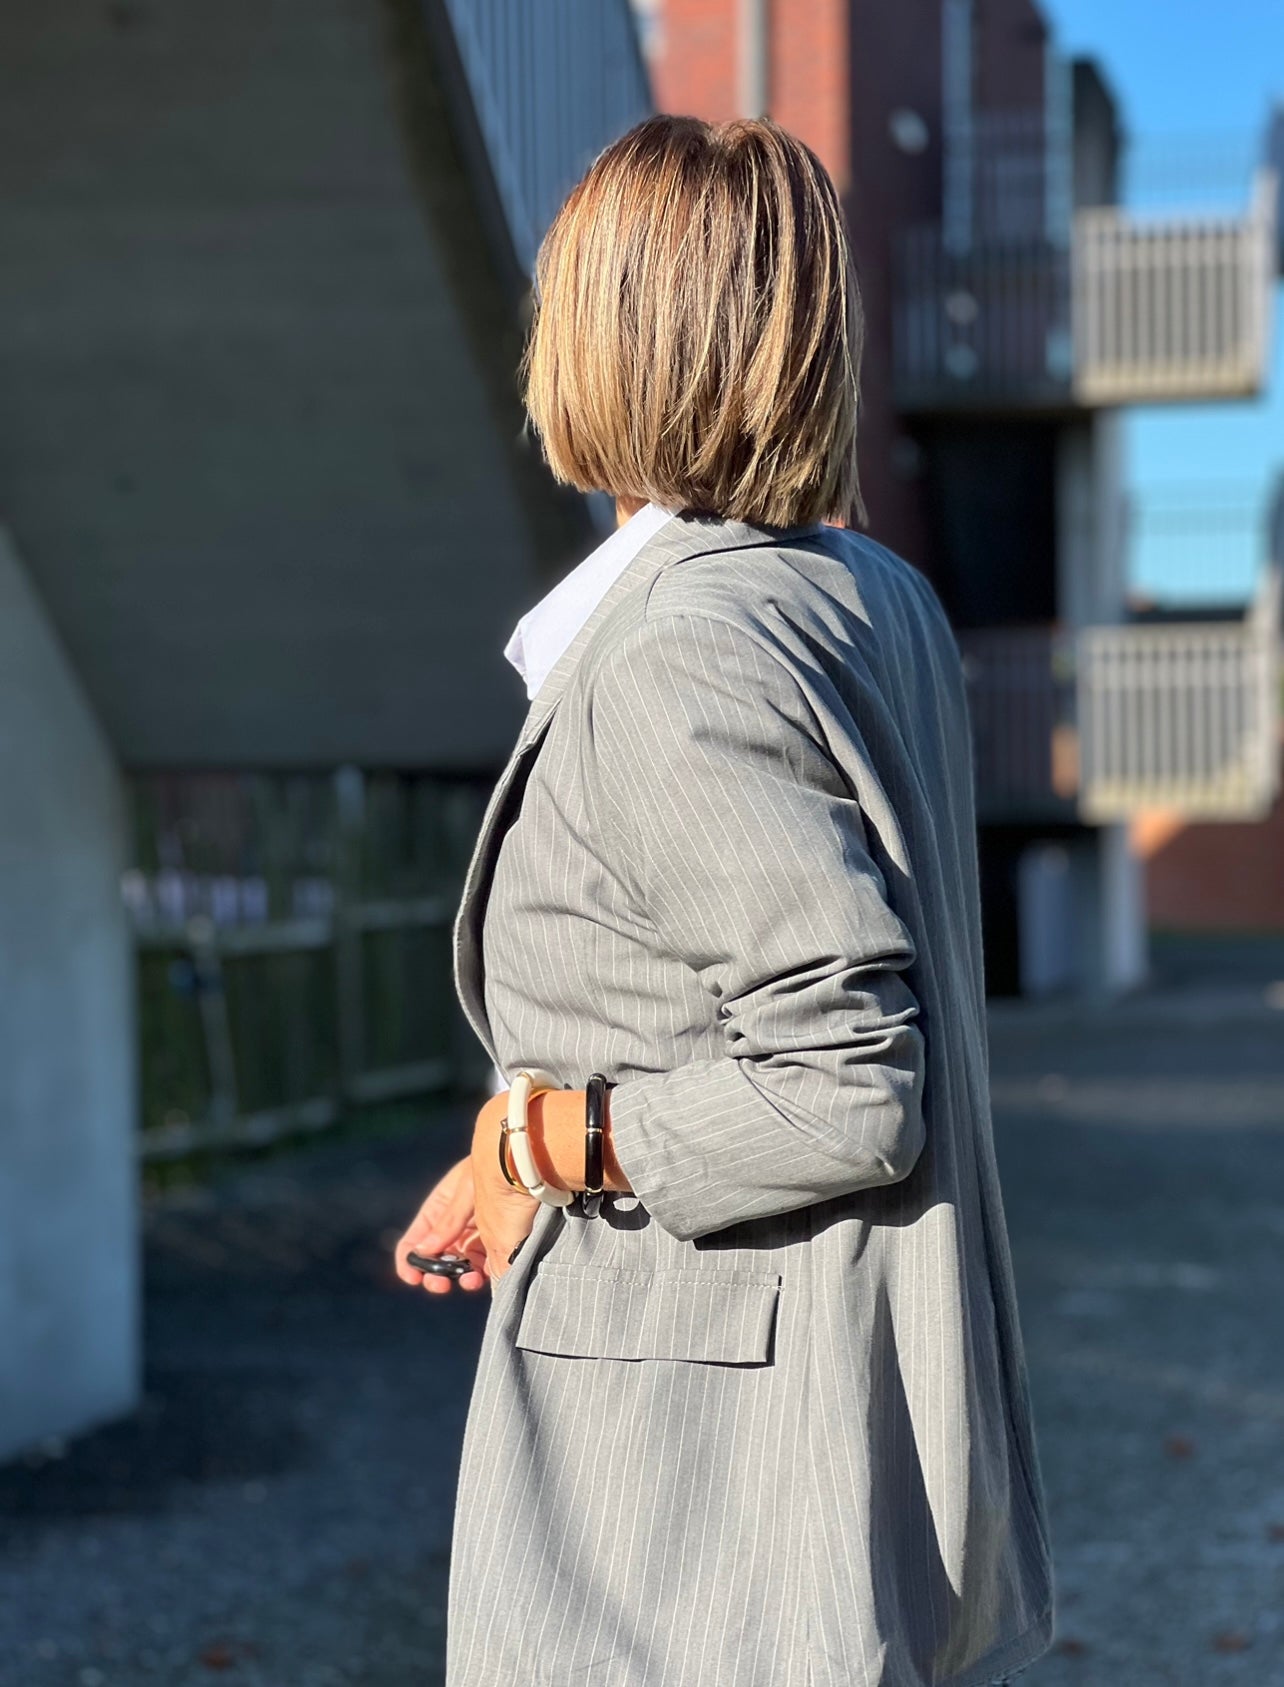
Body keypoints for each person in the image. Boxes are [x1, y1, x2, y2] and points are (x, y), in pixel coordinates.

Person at [395, 113, 1054, 1687]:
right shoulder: (865, 594)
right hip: (837, 1428)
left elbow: (846, 1088)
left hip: (702, 1506)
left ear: (611, 335)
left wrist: (551, 1139)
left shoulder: (685, 647)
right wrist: (526, 1139)